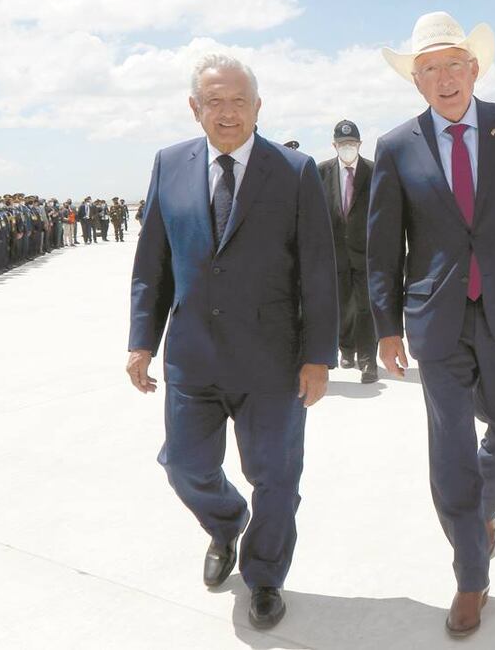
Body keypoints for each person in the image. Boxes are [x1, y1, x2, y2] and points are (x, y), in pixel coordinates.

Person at [369, 11, 495, 637]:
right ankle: (469, 576)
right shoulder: (396, 147)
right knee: (450, 445)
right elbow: (383, 247)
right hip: (437, 319)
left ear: (474, 69)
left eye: (453, 64)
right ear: (417, 83)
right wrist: (386, 326)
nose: (443, 77)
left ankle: (481, 511)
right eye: (428, 68)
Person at [126, 53, 338, 631]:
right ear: (194, 108)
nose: (227, 112)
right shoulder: (169, 164)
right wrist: (142, 340)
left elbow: (319, 271)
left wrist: (319, 356)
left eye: (238, 101)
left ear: (258, 107)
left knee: (276, 476)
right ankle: (225, 523)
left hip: (273, 360)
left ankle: (265, 576)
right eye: (214, 102)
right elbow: (154, 263)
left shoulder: (294, 171)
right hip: (193, 357)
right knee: (185, 466)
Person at [318, 120, 379, 383]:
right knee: (342, 305)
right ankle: (346, 349)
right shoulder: (321, 172)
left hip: (366, 252)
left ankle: (368, 361)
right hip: (335, 252)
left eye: (352, 144)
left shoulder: (374, 171)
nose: (347, 148)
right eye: (343, 144)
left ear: (360, 144)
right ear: (334, 145)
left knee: (366, 306)